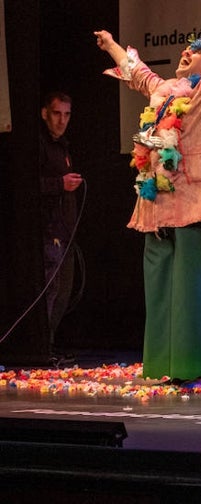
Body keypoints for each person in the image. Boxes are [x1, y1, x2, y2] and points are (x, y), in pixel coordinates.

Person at [94, 0, 201, 388]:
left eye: (198, 49)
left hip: (197, 201)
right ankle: (162, 366)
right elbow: (138, 72)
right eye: (186, 50)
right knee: (159, 287)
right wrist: (111, 45)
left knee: (191, 290)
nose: (187, 52)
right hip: (156, 204)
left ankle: (193, 369)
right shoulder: (164, 92)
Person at [38, 91, 82, 361]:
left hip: (66, 233)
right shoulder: (39, 146)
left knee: (63, 290)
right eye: (56, 114)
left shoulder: (62, 146)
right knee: (50, 290)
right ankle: (42, 347)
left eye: (66, 115)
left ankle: (50, 345)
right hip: (49, 231)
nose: (61, 120)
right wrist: (60, 184)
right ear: (45, 114)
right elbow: (26, 185)